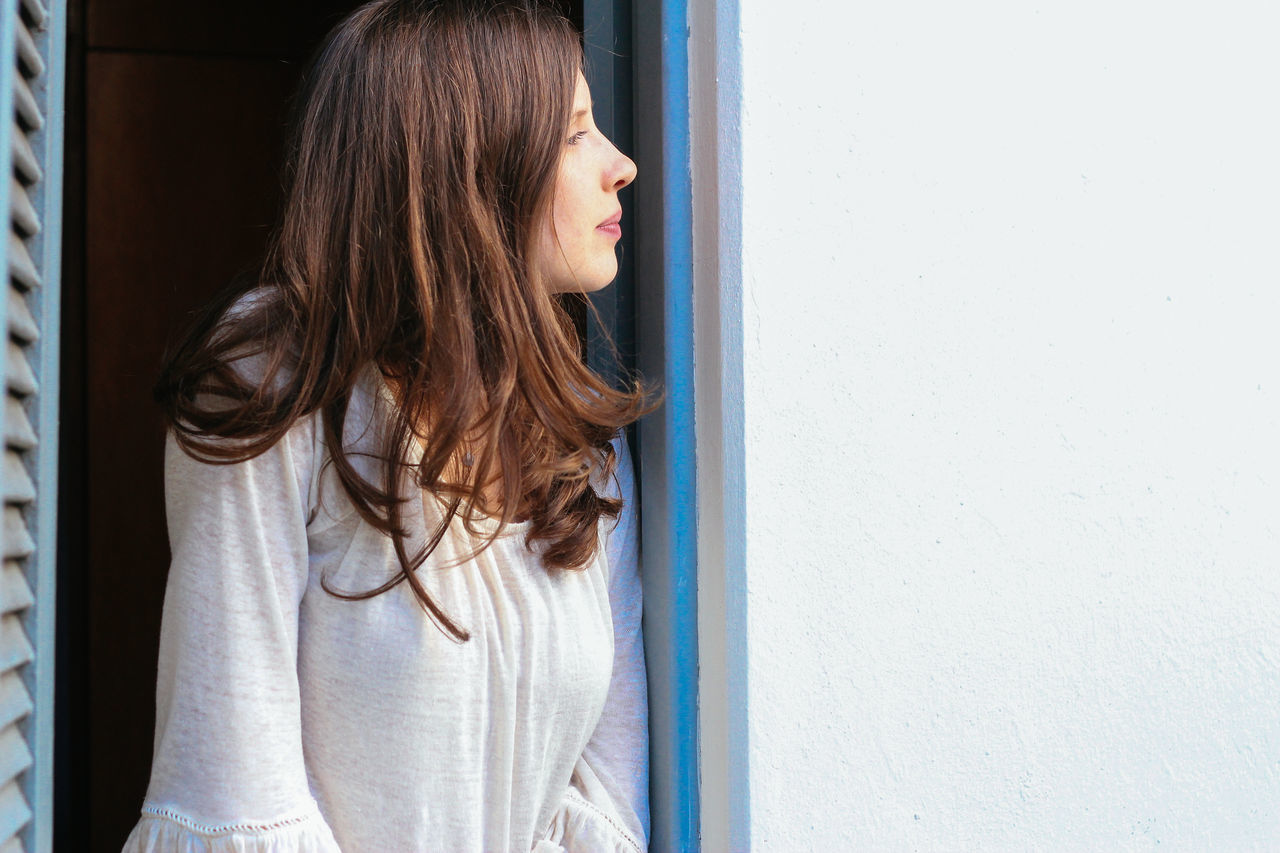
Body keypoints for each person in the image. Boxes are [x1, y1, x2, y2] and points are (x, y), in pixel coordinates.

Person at [121, 1, 653, 850]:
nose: (620, 164)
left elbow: (606, 804)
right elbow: (231, 786)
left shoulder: (580, 451)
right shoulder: (276, 385)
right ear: (470, 167)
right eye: (574, 133)